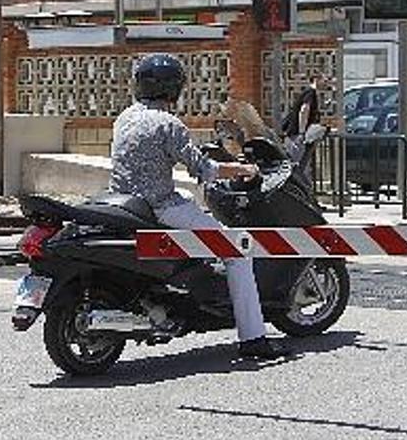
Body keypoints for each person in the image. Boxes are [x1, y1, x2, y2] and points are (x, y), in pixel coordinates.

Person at [109, 53, 291, 360]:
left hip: (123, 203)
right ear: (175, 88)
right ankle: (254, 339)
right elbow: (203, 169)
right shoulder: (169, 124)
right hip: (161, 207)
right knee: (237, 252)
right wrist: (245, 170)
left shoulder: (124, 117)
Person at [282, 73, 325, 173]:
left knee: (300, 164)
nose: (325, 83)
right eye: (324, 80)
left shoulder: (309, 92)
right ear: (316, 79)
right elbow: (304, 110)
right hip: (297, 134)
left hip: (297, 133)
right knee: (295, 164)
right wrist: (302, 132)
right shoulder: (310, 92)